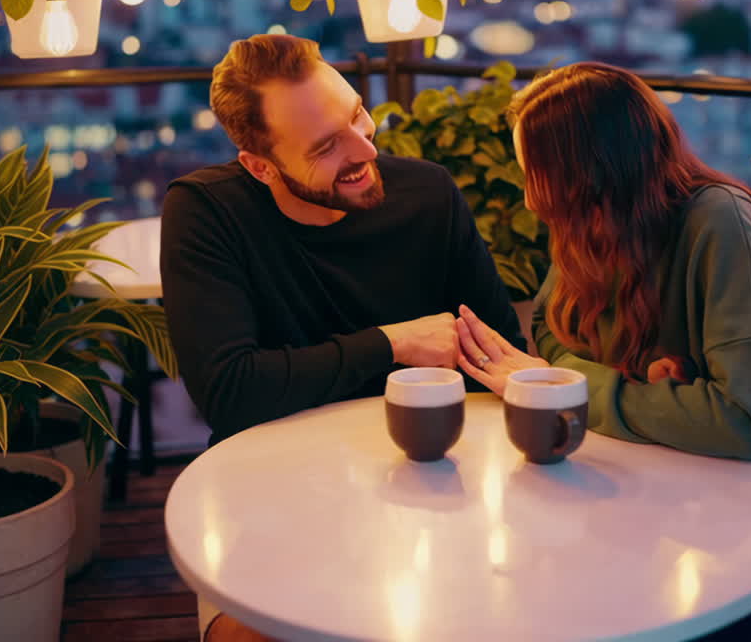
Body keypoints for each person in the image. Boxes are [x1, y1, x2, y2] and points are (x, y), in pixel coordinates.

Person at [455, 62, 751, 641]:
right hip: (661, 515)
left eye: (536, 176)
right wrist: (644, 379)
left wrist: (561, 389)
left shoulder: (718, 220)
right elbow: (549, 334)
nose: (529, 196)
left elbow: (744, 423)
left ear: (589, 174)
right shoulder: (590, 229)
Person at [160, 34, 524, 640]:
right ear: (260, 165)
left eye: (356, 113)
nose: (364, 148)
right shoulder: (207, 212)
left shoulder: (429, 193)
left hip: (430, 487)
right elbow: (229, 391)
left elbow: (498, 356)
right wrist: (392, 345)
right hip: (273, 497)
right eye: (327, 146)